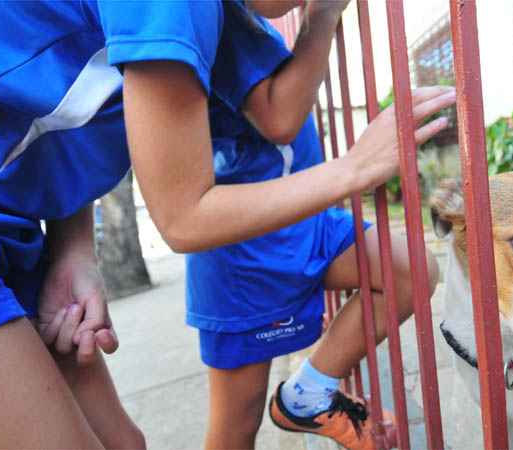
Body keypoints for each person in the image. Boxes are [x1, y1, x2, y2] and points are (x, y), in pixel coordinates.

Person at [0, 0, 456, 449]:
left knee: (125, 445)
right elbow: (181, 217)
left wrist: (73, 247)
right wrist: (356, 167)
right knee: (234, 424)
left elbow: (61, 119)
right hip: (229, 250)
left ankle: (305, 396)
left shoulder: (224, 13)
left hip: (7, 224)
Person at [187, 2, 448, 449]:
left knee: (412, 268)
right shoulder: (208, 15)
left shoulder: (251, 24)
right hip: (244, 255)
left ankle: (305, 394)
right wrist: (323, 15)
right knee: (236, 425)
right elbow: (279, 118)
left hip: (309, 221)